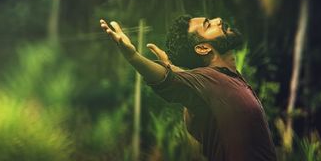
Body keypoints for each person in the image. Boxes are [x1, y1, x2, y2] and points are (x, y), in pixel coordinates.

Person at [100, 15, 277, 161]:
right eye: (208, 25)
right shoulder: (209, 79)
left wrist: (172, 67)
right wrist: (134, 57)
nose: (218, 20)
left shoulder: (227, 79)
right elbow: (167, 79)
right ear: (202, 48)